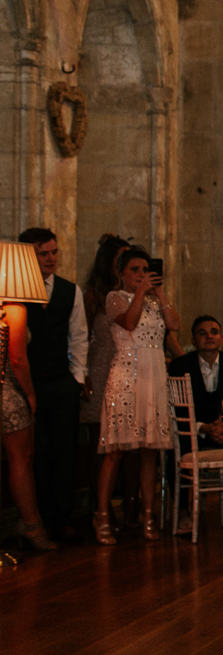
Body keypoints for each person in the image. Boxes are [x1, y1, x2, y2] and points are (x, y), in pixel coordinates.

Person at [93, 248, 179, 544]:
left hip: (154, 373)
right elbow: (129, 323)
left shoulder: (155, 301)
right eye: (136, 270)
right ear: (122, 273)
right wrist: (141, 292)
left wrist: (161, 294)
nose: (142, 274)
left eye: (146, 269)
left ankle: (148, 513)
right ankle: (102, 514)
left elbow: (175, 326)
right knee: (115, 450)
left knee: (149, 451)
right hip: (127, 373)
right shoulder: (115, 298)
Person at [18, 228, 87, 542]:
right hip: (26, 385)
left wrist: (77, 378)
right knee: (36, 452)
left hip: (61, 383)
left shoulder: (69, 290)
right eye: (42, 253)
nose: (50, 259)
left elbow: (80, 336)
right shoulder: (15, 291)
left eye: (53, 252)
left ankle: (62, 517)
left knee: (64, 451)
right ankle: (39, 519)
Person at [167, 315, 223, 534]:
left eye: (214, 332)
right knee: (175, 445)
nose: (209, 336)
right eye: (202, 333)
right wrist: (203, 428)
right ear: (193, 340)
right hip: (192, 431)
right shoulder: (179, 366)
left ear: (221, 338)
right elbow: (176, 410)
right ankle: (182, 511)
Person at [3, 282, 54, 551]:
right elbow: (18, 359)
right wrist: (31, 395)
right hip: (9, 391)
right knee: (21, 458)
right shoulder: (12, 308)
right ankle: (33, 528)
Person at [80, 235, 129, 501]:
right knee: (99, 445)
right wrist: (83, 375)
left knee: (127, 446)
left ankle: (128, 505)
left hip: (127, 373)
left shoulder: (130, 296)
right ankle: (99, 508)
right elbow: (81, 337)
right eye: (121, 259)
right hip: (99, 373)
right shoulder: (93, 296)